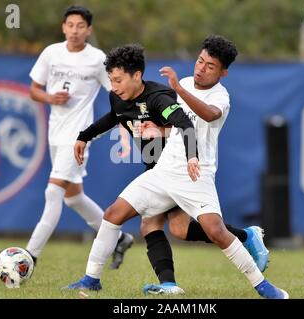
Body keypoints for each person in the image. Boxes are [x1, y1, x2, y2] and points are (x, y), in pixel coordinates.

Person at [66, 40, 288, 299]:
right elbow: (177, 123)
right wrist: (158, 129)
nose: (201, 69)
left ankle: (264, 287)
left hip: (196, 172)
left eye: (210, 66)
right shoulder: (180, 84)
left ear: (223, 72)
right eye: (200, 61)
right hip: (163, 170)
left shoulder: (219, 96)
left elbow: (205, 116)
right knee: (115, 214)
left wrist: (180, 95)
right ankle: (91, 279)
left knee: (215, 231)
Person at [26, 5, 133, 271]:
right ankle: (119, 238)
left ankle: (29, 256)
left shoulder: (97, 59)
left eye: (80, 26)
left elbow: (118, 92)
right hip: (55, 133)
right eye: (70, 25)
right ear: (64, 27)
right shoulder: (51, 53)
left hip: (79, 137)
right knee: (72, 197)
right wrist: (50, 97)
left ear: (89, 30)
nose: (75, 30)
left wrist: (123, 129)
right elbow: (33, 90)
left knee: (53, 192)